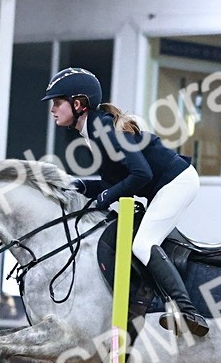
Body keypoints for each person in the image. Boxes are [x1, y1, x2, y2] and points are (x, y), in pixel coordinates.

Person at [42, 67, 208, 337]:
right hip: (166, 183)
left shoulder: (101, 128)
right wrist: (76, 185)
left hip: (177, 182)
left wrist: (105, 198)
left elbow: (142, 174)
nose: (53, 109)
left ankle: (186, 310)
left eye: (57, 102)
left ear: (78, 104)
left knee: (143, 244)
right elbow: (112, 181)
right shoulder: (94, 129)